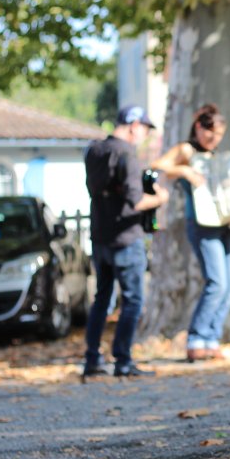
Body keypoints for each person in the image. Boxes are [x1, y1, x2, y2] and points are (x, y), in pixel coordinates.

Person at [83, 105, 169, 378]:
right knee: (132, 301)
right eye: (144, 129)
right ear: (134, 125)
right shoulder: (127, 154)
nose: (144, 135)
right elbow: (136, 201)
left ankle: (92, 358)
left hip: (100, 236)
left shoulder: (94, 151)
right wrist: (161, 197)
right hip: (126, 239)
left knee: (102, 299)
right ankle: (123, 359)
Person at [151, 104, 230, 362]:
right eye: (211, 134)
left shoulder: (217, 156)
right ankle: (196, 338)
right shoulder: (186, 150)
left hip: (225, 223)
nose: (215, 140)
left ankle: (212, 339)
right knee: (216, 282)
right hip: (202, 224)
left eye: (220, 135)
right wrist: (184, 170)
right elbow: (157, 166)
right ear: (199, 127)